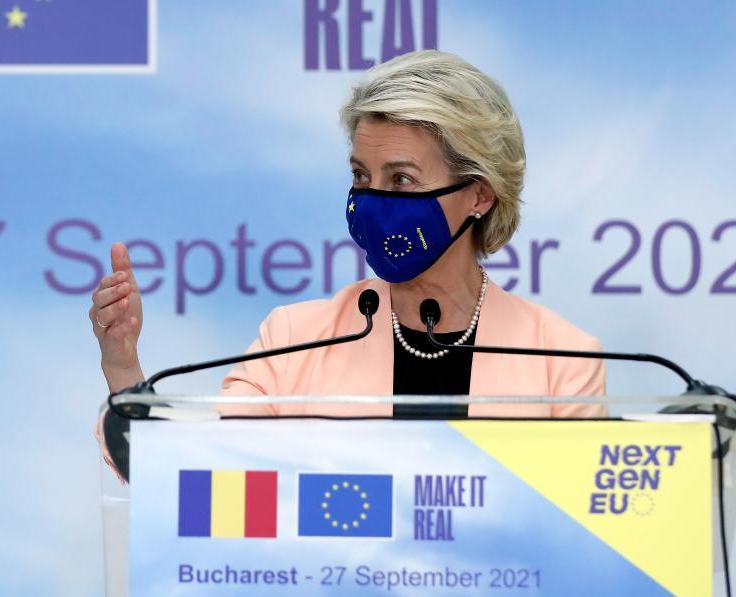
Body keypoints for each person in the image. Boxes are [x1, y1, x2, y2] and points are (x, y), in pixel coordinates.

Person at [90, 50, 606, 439]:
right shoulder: (294, 340)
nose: (373, 199)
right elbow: (199, 475)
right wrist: (123, 367)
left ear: (480, 194)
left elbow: (586, 529)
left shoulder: (561, 361)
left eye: (401, 179)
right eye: (362, 176)